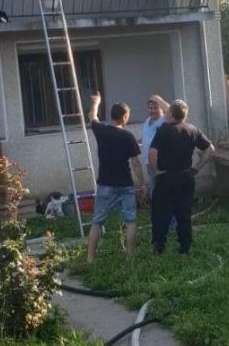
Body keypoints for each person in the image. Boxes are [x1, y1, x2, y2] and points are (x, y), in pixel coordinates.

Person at [149, 100, 214, 256]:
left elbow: (152, 152)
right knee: (184, 213)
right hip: (186, 176)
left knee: (160, 213)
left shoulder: (164, 130)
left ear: (171, 113)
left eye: (167, 111)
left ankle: (158, 246)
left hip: (166, 177)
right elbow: (210, 149)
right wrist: (197, 168)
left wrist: (156, 170)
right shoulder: (193, 129)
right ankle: (185, 247)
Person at [87, 94, 145, 262]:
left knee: (97, 222)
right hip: (125, 185)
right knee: (130, 220)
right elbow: (135, 163)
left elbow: (92, 116)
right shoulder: (128, 136)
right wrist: (142, 184)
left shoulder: (101, 131)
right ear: (124, 116)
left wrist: (96, 102)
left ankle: (90, 258)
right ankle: (130, 257)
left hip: (105, 184)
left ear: (112, 115)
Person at [140, 95, 170, 196]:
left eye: (156, 108)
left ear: (161, 108)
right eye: (150, 108)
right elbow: (146, 137)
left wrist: (157, 99)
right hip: (149, 163)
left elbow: (171, 111)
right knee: (153, 189)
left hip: (160, 163)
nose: (152, 110)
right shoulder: (147, 120)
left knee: (163, 190)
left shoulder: (164, 120)